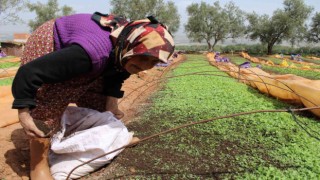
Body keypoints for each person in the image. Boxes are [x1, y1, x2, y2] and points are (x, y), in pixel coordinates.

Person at [11, 12, 175, 179]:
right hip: (50, 39)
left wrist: (111, 103)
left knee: (100, 100)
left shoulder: (123, 48)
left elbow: (118, 72)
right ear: (131, 47)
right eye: (143, 58)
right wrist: (23, 111)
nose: (144, 66)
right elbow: (29, 73)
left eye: (153, 62)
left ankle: (92, 140)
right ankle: (38, 165)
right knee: (52, 95)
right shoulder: (90, 54)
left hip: (90, 52)